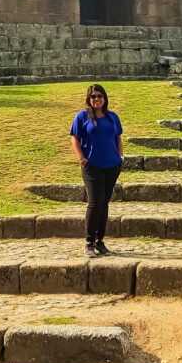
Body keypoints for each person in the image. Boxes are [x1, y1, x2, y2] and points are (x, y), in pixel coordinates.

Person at [69, 83, 124, 257]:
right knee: (94, 202)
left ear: (105, 98)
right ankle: (89, 242)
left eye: (99, 96)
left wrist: (120, 157)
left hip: (112, 165)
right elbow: (74, 138)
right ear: (88, 99)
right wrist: (81, 158)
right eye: (93, 96)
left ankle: (100, 241)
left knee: (104, 203)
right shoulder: (82, 117)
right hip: (92, 166)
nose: (97, 99)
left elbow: (118, 137)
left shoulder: (112, 117)